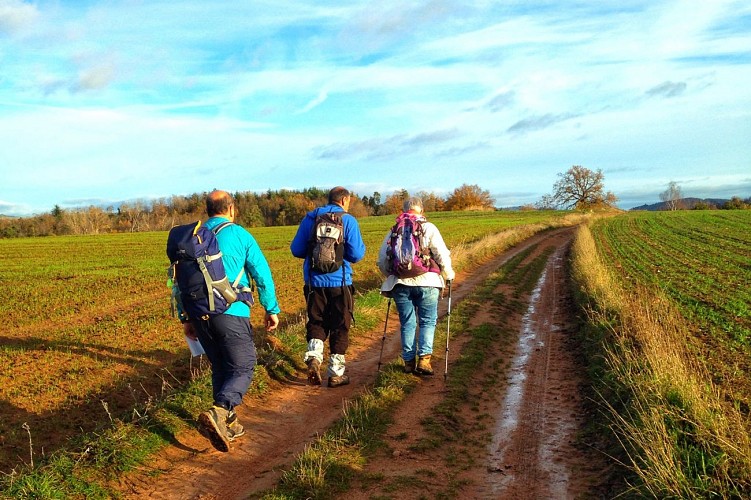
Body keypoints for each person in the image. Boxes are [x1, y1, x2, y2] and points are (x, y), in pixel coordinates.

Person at [182, 190, 281, 452]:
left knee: (222, 367)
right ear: (231, 209)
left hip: (200, 315)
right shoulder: (240, 235)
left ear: (208, 210)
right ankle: (220, 410)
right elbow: (262, 273)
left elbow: (177, 282)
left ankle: (229, 423)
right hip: (231, 312)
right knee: (244, 365)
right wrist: (271, 308)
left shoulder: (192, 239)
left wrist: (186, 318)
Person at [290, 186, 366, 388]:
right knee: (340, 325)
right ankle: (335, 373)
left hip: (314, 283)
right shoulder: (348, 220)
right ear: (344, 201)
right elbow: (357, 255)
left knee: (317, 321)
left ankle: (314, 357)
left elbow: (296, 249)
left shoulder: (311, 218)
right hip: (341, 282)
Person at [377, 196, 455, 375]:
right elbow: (441, 253)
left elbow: (382, 259)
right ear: (422, 210)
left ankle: (408, 363)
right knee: (427, 320)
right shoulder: (428, 227)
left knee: (407, 322)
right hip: (428, 282)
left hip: (400, 284)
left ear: (404, 210)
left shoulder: (394, 230)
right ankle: (424, 361)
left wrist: (391, 275)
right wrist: (448, 273)